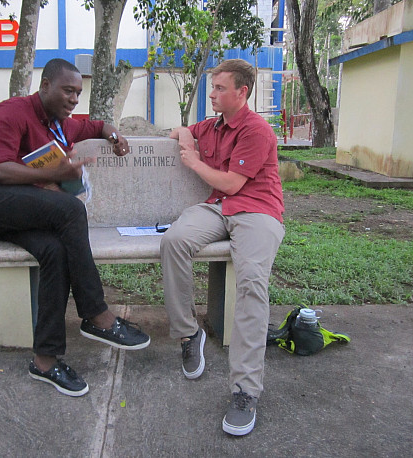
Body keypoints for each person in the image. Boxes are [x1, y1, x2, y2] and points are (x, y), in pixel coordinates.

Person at [0, 58, 150, 397]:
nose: (74, 98)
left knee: (55, 251)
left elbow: (97, 126)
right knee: (71, 210)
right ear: (45, 86)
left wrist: (116, 136)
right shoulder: (11, 111)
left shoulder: (63, 124)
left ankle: (44, 361)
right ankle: (96, 314)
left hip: (18, 211)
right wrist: (56, 175)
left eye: (78, 92)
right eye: (67, 90)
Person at [161, 59, 284, 435]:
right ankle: (189, 333)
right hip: (218, 209)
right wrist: (186, 138)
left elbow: (232, 183)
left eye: (219, 89)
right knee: (174, 241)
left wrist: (195, 161)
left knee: (250, 282)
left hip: (257, 212)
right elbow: (180, 129)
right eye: (211, 87)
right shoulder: (213, 124)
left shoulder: (257, 130)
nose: (211, 94)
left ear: (241, 92)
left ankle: (245, 391)